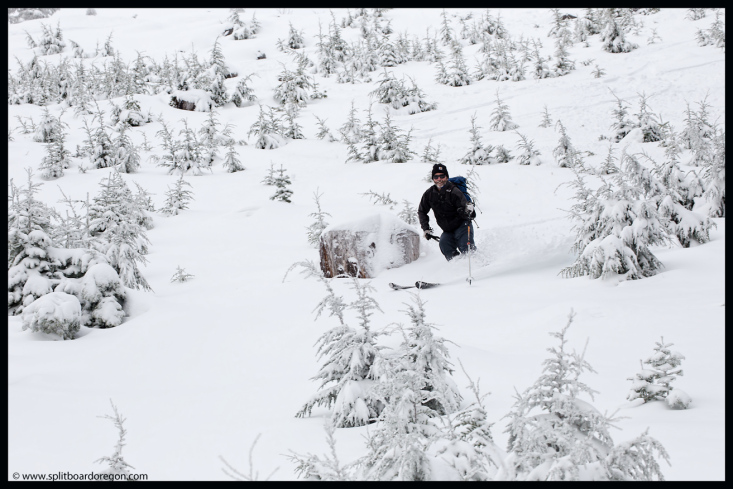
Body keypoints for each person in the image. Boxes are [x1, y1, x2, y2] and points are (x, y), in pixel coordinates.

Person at [418, 164, 476, 261]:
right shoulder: (429, 194)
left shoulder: (454, 191)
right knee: (445, 245)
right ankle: (459, 267)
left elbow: (470, 213)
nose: (439, 179)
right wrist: (426, 229)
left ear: (447, 177)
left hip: (462, 226)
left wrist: (467, 211)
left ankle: (480, 267)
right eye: (436, 177)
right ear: (433, 179)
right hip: (447, 230)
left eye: (442, 176)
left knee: (466, 248)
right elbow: (422, 211)